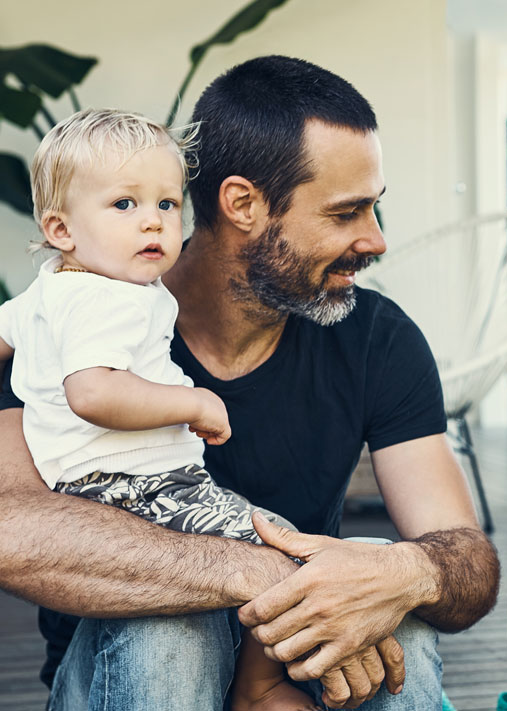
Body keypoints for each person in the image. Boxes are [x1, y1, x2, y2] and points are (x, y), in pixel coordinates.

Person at [0, 55, 499, 711]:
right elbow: (12, 527)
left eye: (375, 210)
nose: (375, 241)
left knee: (389, 595)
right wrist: (253, 570)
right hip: (126, 677)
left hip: (293, 668)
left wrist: (401, 573)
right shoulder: (72, 313)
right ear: (243, 205)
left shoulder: (376, 336)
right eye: (346, 212)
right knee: (172, 626)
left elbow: (466, 557)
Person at [0, 106, 326, 711]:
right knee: (278, 547)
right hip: (141, 486)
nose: (152, 222)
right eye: (124, 205)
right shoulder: (112, 300)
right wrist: (193, 401)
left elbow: (3, 335)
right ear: (62, 229)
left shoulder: (51, 287)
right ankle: (262, 688)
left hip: (85, 493)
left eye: (167, 205)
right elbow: (93, 393)